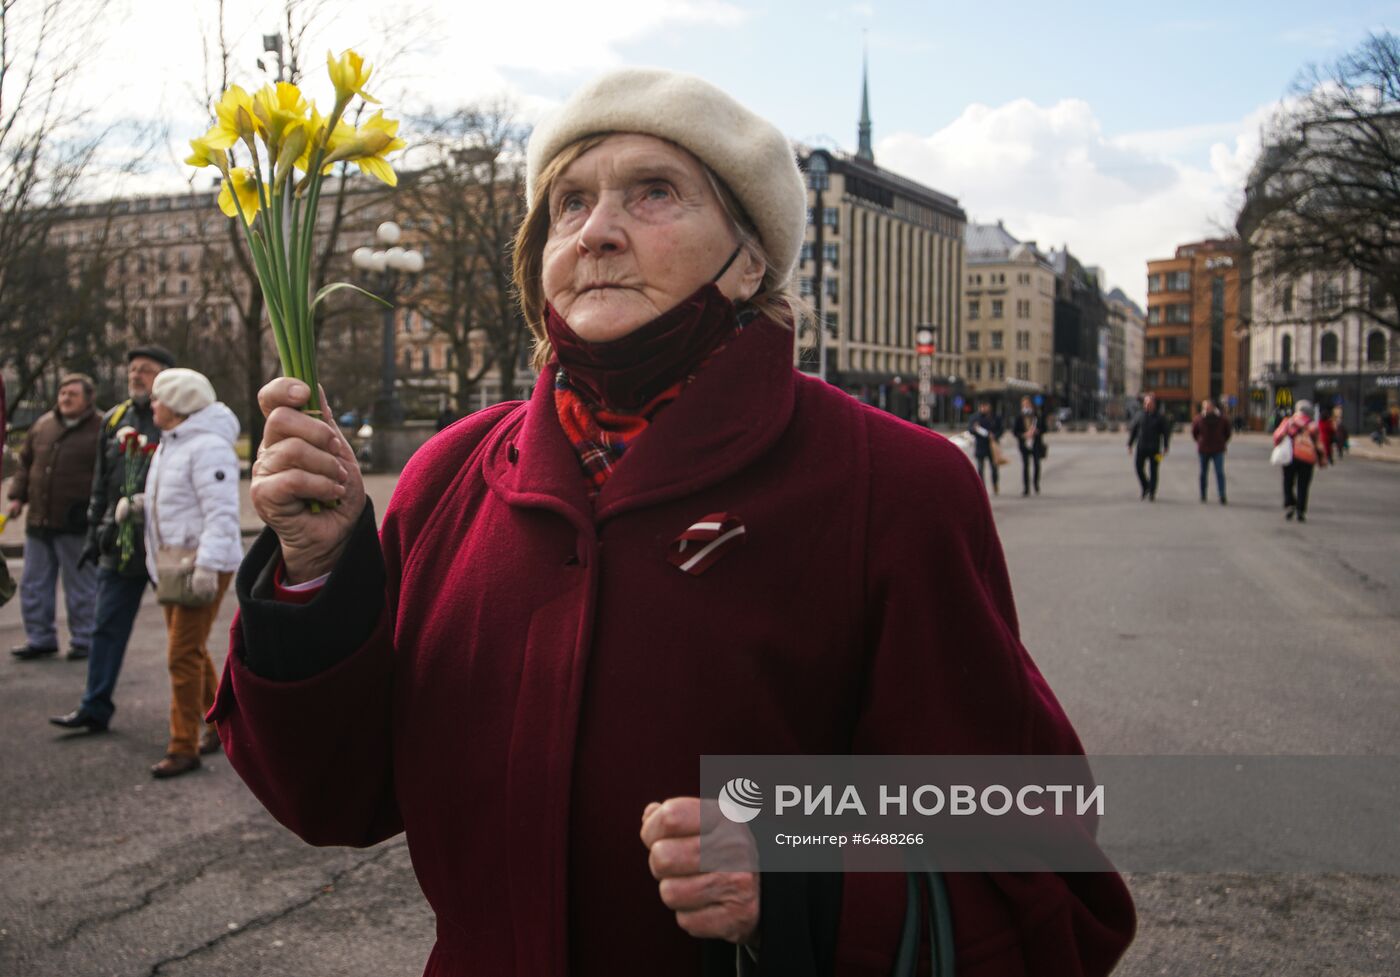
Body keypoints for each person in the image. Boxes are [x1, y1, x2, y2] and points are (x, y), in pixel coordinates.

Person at [213, 68, 1134, 975]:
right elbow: (337, 796)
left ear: (748, 259)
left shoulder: (894, 486)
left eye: (654, 192)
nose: (599, 231)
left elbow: (1038, 859)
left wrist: (800, 882)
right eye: (568, 204)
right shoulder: (449, 475)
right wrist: (318, 574)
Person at [50, 345, 174, 734]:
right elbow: (100, 483)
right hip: (117, 542)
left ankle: (208, 716)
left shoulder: (175, 420)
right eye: (133, 369)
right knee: (105, 627)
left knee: (184, 636)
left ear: (168, 378)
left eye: (146, 370)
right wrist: (94, 532)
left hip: (164, 544)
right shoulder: (116, 418)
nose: (136, 375)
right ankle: (94, 705)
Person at [141, 369, 242, 778]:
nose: (152, 405)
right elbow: (176, 499)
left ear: (179, 403)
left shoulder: (208, 447)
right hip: (176, 561)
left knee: (182, 653)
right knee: (191, 649)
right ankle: (217, 722)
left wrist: (207, 566)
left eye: (158, 398)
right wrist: (138, 503)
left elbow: (222, 513)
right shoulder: (176, 443)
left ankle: (184, 746)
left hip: (201, 563)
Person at [7, 374, 101, 661]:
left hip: (75, 522)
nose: (65, 398)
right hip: (39, 519)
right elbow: (25, 464)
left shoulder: (102, 427)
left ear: (88, 398)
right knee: (34, 583)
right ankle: (40, 638)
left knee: (81, 585)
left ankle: (85, 639)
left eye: (72, 393)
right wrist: (16, 497)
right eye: (62, 393)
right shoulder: (43, 425)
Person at [1274, 399, 1326, 523]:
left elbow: (1277, 436)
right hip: (1307, 458)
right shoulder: (1312, 426)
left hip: (1290, 457)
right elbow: (1319, 445)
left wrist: (1279, 445)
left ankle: (1290, 504)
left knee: (1288, 482)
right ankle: (1301, 511)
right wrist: (1322, 459)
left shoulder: (1288, 422)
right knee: (1303, 485)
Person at [1128, 393, 1171, 501]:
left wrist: (1166, 446)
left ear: (1154, 405)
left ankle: (1152, 492)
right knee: (1138, 468)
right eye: (1146, 403)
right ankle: (1146, 486)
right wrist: (1130, 444)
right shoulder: (1139, 415)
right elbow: (1134, 431)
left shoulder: (1160, 417)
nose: (1148, 405)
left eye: (1150, 403)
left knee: (1154, 470)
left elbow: (1166, 433)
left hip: (1156, 449)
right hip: (1141, 447)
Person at [1190, 397, 1231, 505]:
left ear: (1213, 408)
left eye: (1208, 407)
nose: (1206, 409)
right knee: (1203, 473)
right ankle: (1203, 494)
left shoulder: (1222, 419)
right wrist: (1199, 441)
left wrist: (1222, 442)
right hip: (1203, 449)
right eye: (1205, 407)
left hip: (1218, 449)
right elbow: (1194, 433)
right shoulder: (1199, 419)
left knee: (1219, 472)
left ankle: (1222, 495)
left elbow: (1227, 432)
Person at [967, 400, 1004, 495]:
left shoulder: (995, 417)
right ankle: (981, 487)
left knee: (994, 467)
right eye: (982, 406)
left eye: (985, 406)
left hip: (992, 446)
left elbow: (1001, 429)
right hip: (980, 446)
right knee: (980, 468)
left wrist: (995, 436)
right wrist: (974, 429)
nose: (984, 408)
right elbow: (970, 430)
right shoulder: (975, 418)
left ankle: (995, 483)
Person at [1011, 396, 1045, 496]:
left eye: (1027, 404)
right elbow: (1015, 432)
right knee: (1025, 466)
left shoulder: (1036, 416)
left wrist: (1037, 432)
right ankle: (1026, 488)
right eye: (1024, 404)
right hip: (1024, 444)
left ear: (1031, 405)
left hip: (1035, 443)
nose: (1026, 406)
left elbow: (1044, 428)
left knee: (1036, 465)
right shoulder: (1019, 417)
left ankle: (1036, 483)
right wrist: (1023, 435)